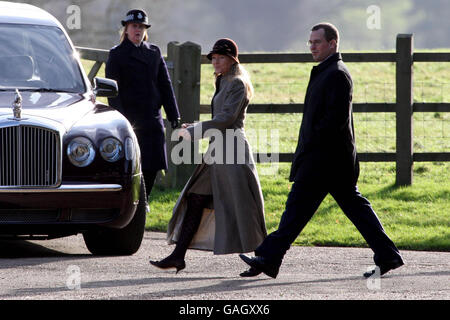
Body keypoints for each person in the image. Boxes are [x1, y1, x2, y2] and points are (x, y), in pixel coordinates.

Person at [239, 23, 404, 279]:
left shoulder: (337, 74)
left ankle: (269, 257)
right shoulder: (327, 71)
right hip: (329, 161)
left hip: (325, 161)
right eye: (310, 42)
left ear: (332, 43)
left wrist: (310, 146)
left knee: (296, 210)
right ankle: (388, 255)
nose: (312, 46)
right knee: (351, 210)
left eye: (317, 42)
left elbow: (334, 121)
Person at [150, 38, 267, 274]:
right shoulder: (223, 80)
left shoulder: (237, 83)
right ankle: (178, 256)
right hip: (217, 150)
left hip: (232, 150)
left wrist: (193, 132)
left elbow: (226, 119)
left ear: (232, 59)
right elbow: (220, 118)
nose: (215, 62)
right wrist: (199, 125)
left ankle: (263, 259)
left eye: (220, 58)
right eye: (213, 58)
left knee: (243, 206)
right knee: (195, 197)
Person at [105, 9, 180, 200]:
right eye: (134, 26)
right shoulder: (117, 54)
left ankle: (144, 201)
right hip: (130, 120)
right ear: (127, 29)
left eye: (141, 27)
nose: (138, 30)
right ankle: (134, 203)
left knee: (153, 165)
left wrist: (173, 114)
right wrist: (120, 120)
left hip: (153, 121)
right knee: (133, 165)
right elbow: (113, 92)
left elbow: (165, 85)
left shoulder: (154, 52)